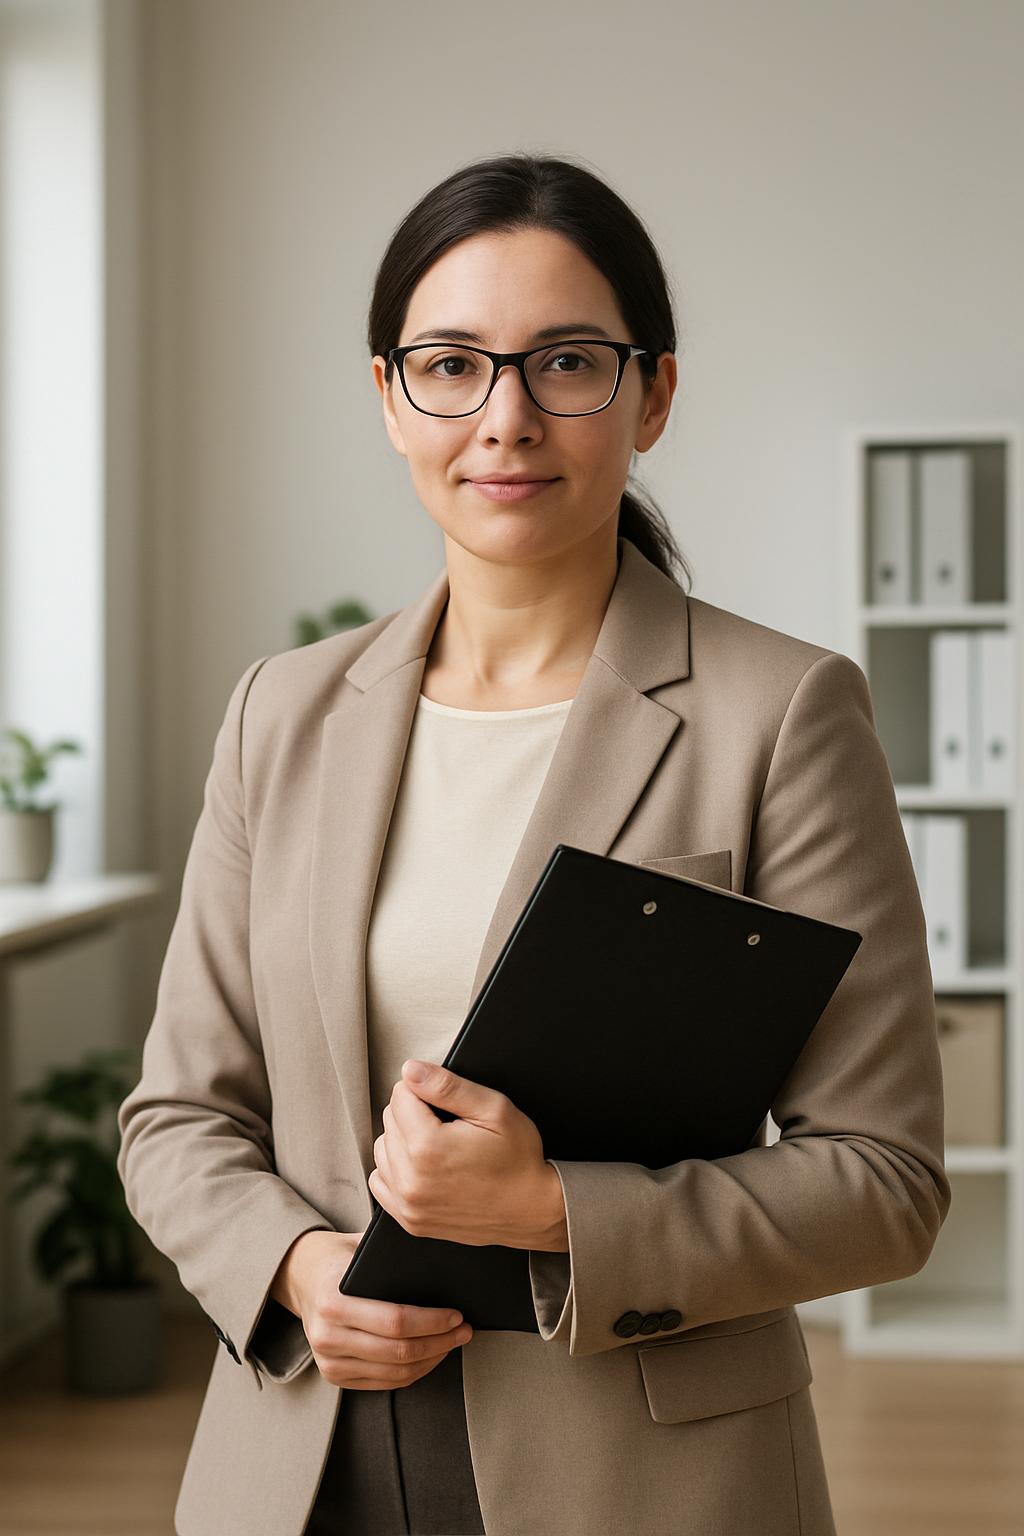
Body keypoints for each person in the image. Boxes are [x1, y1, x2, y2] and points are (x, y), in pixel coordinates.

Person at [117, 152, 950, 1536]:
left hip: (642, 1474)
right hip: (303, 1450)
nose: (505, 420)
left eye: (566, 363)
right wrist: (297, 1269)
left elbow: (886, 1178)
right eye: (452, 366)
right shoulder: (283, 712)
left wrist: (558, 1210)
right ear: (390, 396)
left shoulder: (785, 713)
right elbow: (176, 1120)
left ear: (653, 394)